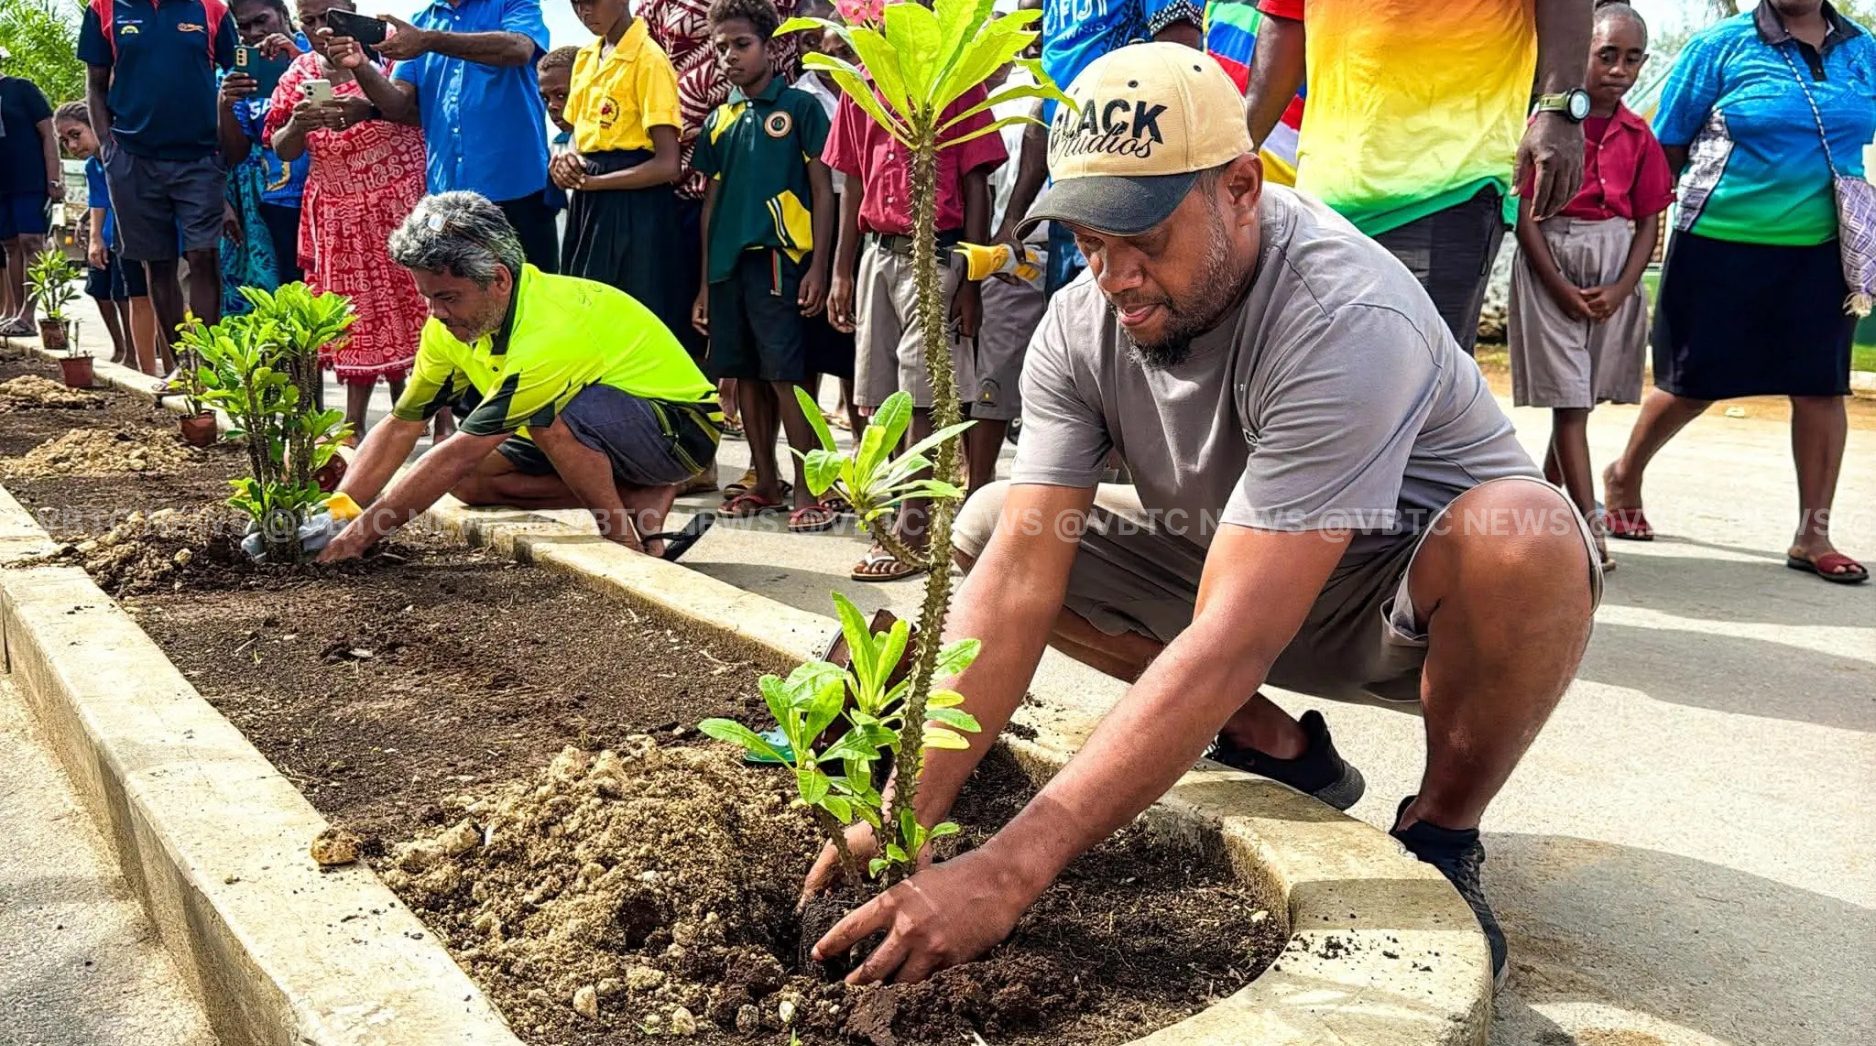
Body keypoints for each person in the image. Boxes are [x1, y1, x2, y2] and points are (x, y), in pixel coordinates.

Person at [799, 45, 1601, 992]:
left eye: (1144, 235)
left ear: (1241, 187)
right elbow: (1018, 583)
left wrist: (1010, 870)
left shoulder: (1344, 314)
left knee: (1529, 536)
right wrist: (909, 816)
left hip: (1401, 614)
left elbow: (1229, 637)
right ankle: (1278, 747)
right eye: (1091, 239)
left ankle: (1441, 829)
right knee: (995, 528)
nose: (1116, 274)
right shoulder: (1079, 321)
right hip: (1241, 570)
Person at [1604, 0, 1874, 585]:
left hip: (1823, 252)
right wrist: (1635, 231)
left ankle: (1813, 532)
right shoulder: (1719, 46)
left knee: (1821, 388)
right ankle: (1624, 474)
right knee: (1690, 384)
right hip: (1720, 242)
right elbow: (1666, 145)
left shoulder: (1862, 49)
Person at [317, 192, 722, 562]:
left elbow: (460, 449)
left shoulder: (549, 331)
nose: (435, 312)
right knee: (467, 483)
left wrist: (355, 541)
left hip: (683, 429)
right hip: (603, 428)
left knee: (541, 415)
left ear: (499, 280)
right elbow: (402, 426)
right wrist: (337, 517)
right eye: (427, 297)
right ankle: (631, 495)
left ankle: (625, 545)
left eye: (448, 297)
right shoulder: (446, 326)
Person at [1244, 0, 1591, 355]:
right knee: (1324, 382)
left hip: (1450, 183)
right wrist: (1237, 148)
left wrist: (1561, 107)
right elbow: (1287, 17)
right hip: (1325, 197)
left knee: (1422, 385)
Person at [822, 46, 1006, 582]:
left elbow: (977, 184)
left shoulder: (956, 80)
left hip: (939, 253)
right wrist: (841, 269)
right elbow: (852, 180)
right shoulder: (862, 85)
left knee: (923, 393)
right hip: (877, 251)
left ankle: (914, 529)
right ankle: (896, 513)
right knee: (878, 394)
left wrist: (969, 282)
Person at [1508, 2, 1671, 574]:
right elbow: (1525, 211)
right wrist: (1556, 284)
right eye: (1606, 55)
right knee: (1570, 404)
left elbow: (1650, 215)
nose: (1618, 70)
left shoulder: (1640, 136)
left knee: (1582, 398)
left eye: (1631, 59)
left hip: (1614, 270)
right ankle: (1587, 528)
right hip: (1551, 262)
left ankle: (1548, 510)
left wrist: (1624, 286)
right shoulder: (1542, 128)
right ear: (1580, 50)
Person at [688, 0, 834, 529]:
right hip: (728, 268)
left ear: (771, 48)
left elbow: (823, 191)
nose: (729, 57)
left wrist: (819, 266)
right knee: (745, 375)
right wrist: (705, 282)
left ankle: (811, 489)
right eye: (721, 47)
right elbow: (711, 202)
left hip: (779, 260)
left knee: (785, 377)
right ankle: (767, 483)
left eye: (741, 45)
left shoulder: (799, 108)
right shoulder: (720, 118)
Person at [271, 0, 432, 440]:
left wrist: (359, 69)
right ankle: (354, 423)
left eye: (330, 18)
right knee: (352, 317)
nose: (320, 29)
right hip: (342, 214)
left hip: (401, 204)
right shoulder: (299, 75)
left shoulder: (393, 54)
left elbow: (410, 110)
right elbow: (281, 147)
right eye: (309, 21)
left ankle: (438, 418)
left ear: (352, 12)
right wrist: (300, 125)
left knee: (421, 307)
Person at [999, 0, 1204, 297]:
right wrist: (1013, 220)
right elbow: (1050, 105)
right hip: (1069, 212)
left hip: (1133, 207)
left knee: (1136, 326)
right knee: (1076, 332)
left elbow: (1180, 62)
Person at [339, 0, 560, 272]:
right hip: (449, 199)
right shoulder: (419, 22)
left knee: (533, 295)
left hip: (519, 190)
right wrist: (359, 65)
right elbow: (397, 104)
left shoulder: (512, 4)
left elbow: (518, 49)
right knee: (461, 302)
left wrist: (430, 41)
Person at [78, 0, 238, 360]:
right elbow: (96, 84)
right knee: (158, 261)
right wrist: (108, 148)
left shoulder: (212, 9)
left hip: (200, 155)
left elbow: (236, 70)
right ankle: (182, 363)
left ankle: (208, 362)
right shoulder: (103, 8)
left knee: (203, 256)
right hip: (133, 157)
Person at [557, 0, 688, 344]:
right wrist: (565, 162)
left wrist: (597, 183)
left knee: (634, 312)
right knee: (588, 313)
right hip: (590, 206)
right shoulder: (586, 58)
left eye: (592, 2)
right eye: (575, 4)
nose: (584, 11)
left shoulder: (649, 59)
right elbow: (577, 137)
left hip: (635, 209)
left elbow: (667, 164)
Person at [217, 0, 311, 310]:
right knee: (288, 295)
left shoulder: (317, 50)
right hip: (276, 200)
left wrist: (299, 61)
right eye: (244, 26)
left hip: (326, 196)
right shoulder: (240, 74)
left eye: (262, 20)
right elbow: (236, 152)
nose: (255, 32)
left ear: (284, 15)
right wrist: (226, 106)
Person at [54, 101, 159, 373]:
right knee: (115, 291)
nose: (72, 146)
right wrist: (94, 235)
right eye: (65, 141)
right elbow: (99, 200)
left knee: (148, 296)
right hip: (116, 238)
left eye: (76, 135)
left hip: (144, 234)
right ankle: (132, 357)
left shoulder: (125, 154)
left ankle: (156, 360)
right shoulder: (93, 166)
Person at [0, 60, 60, 337]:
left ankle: (28, 313)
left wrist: (53, 178)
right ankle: (13, 313)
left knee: (31, 241)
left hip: (30, 179)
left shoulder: (21, 89)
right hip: (3, 184)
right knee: (10, 245)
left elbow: (49, 134)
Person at [536, 44, 579, 222]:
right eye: (546, 98)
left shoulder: (612, 142)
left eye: (561, 95)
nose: (552, 106)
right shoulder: (559, 146)